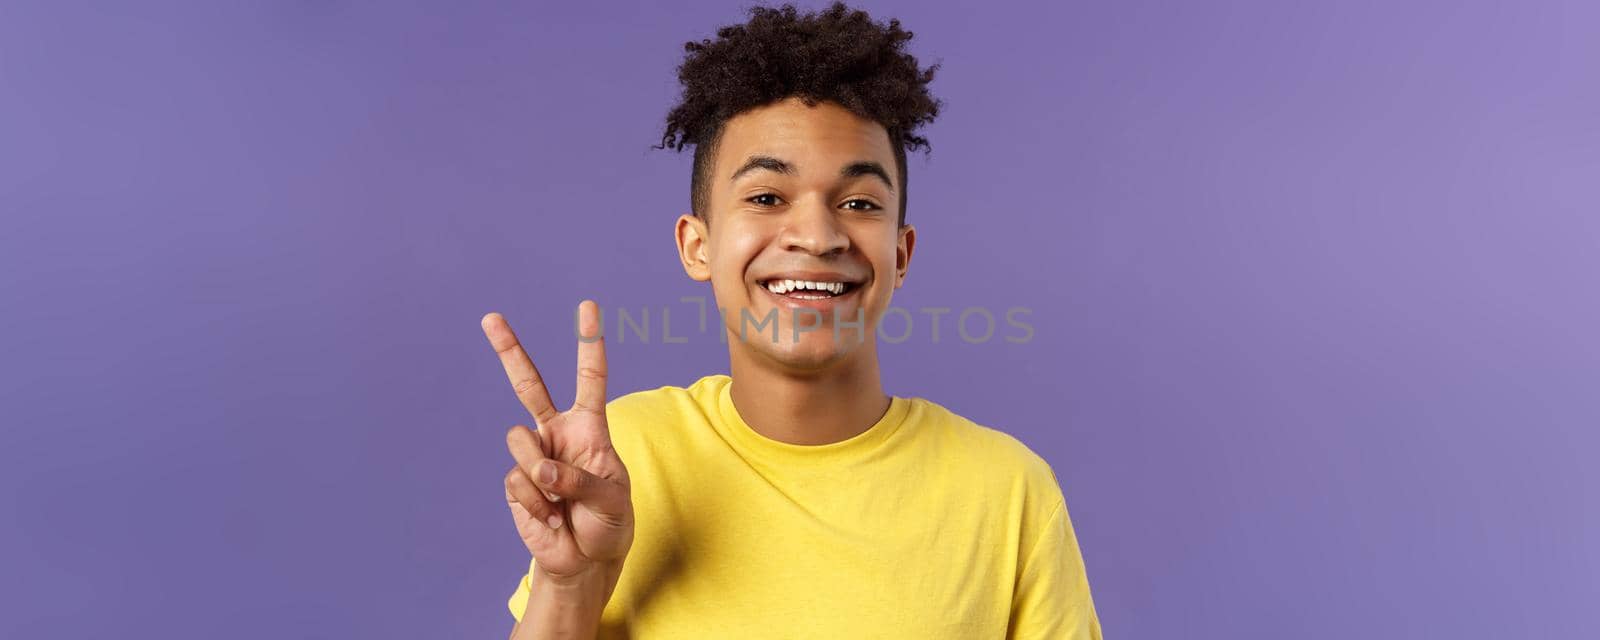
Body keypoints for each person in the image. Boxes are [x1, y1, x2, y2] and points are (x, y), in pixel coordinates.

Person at [480, 3, 1101, 638]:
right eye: (767, 198)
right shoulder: (622, 458)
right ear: (697, 245)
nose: (817, 234)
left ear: (901, 253)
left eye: (859, 202)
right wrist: (570, 586)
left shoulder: (1008, 490)